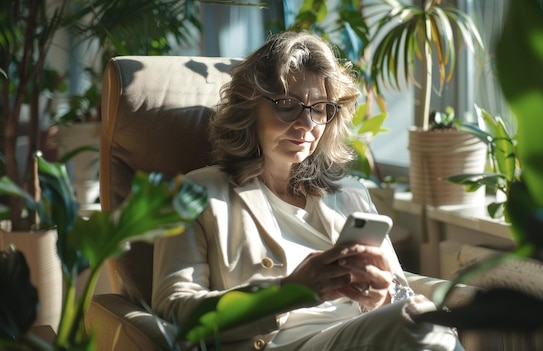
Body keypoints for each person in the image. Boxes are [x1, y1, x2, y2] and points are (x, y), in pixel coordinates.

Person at [152, 31, 463, 351]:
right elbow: (175, 310)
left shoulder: (350, 194)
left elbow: (399, 298)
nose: (306, 124)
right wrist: (291, 290)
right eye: (287, 104)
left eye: (320, 108)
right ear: (248, 108)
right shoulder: (196, 193)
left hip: (365, 336)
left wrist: (383, 296)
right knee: (417, 319)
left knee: (423, 316)